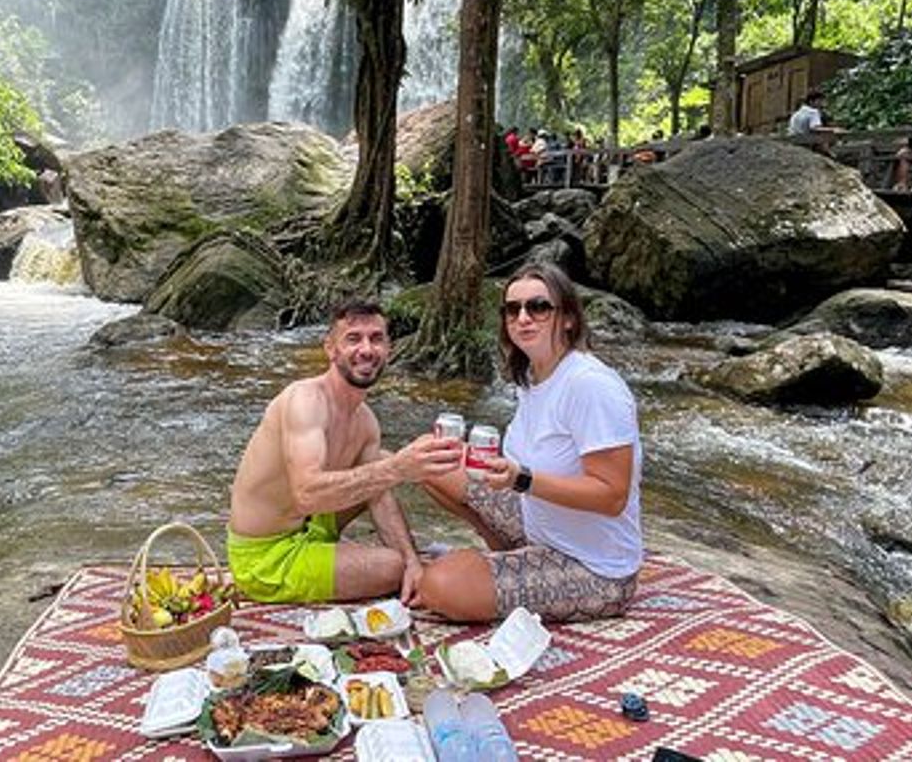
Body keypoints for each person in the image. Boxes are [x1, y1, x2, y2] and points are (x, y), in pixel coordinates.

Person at [416, 263, 643, 622]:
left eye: (538, 307)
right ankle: (504, 557)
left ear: (567, 318)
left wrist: (522, 478)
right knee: (431, 459)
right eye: (512, 309)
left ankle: (492, 575)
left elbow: (612, 496)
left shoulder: (591, 385)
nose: (523, 318)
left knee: (438, 586)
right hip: (538, 526)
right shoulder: (532, 378)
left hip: (594, 568)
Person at [226, 299, 462, 604]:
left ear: (389, 348)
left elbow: (378, 491)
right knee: (390, 567)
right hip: (267, 557)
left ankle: (402, 560)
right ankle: (372, 563)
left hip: (313, 526)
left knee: (381, 464)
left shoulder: (365, 420)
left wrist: (412, 560)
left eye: (376, 339)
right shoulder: (305, 401)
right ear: (330, 348)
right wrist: (398, 469)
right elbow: (307, 494)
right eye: (353, 339)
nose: (366, 349)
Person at [788, 89, 840, 156]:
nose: (821, 103)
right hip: (805, 138)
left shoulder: (798, 112)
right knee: (829, 136)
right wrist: (833, 130)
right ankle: (827, 153)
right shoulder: (813, 112)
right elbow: (815, 127)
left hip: (793, 137)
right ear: (811, 101)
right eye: (819, 101)